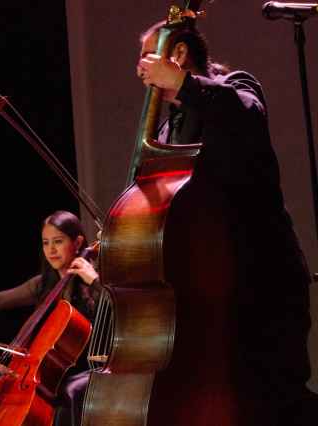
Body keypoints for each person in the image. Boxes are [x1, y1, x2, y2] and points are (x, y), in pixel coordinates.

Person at [136, 18, 316, 426]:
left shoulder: (236, 87)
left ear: (177, 55)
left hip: (262, 281)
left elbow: (245, 118)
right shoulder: (167, 129)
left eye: (146, 57)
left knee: (279, 402)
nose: (140, 71)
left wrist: (183, 84)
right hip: (206, 295)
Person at [0, 210, 100, 426]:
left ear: (78, 241)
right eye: (46, 243)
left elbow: (118, 307)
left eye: (58, 241)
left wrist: (94, 280)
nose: (51, 250)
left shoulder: (94, 278)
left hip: (87, 365)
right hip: (50, 370)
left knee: (68, 392)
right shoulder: (44, 283)